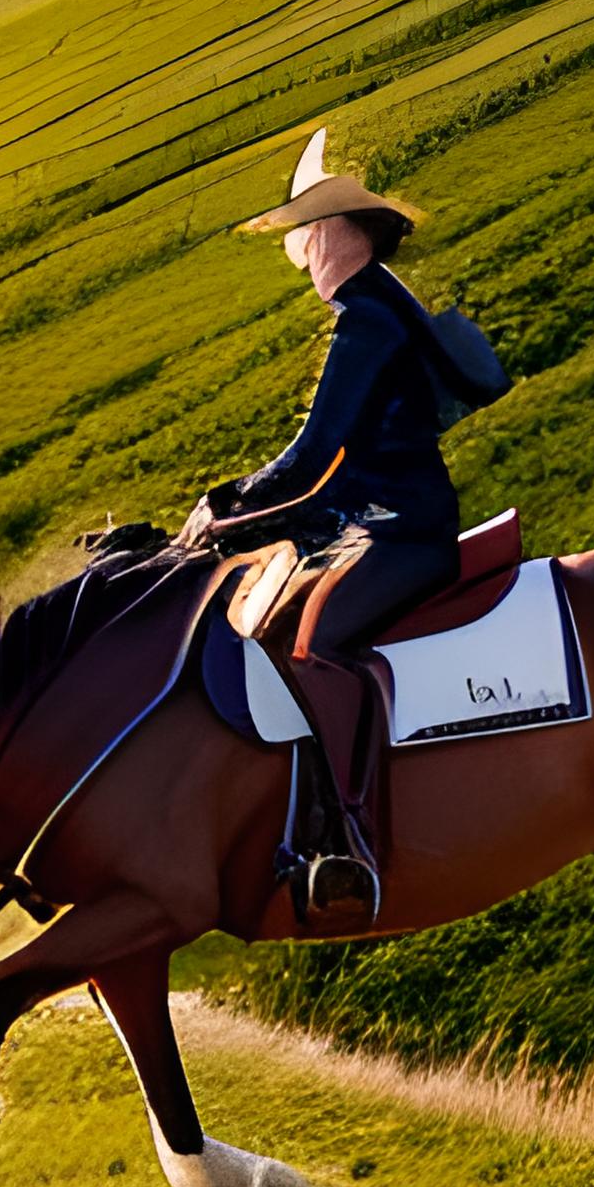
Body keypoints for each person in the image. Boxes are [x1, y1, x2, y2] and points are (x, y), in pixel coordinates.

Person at [191, 131, 490, 927]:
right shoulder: (380, 305)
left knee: (315, 647)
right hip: (377, 522)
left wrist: (225, 506)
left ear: (328, 236)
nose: (302, 257)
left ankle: (350, 835)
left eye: (303, 238)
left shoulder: (367, 319)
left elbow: (317, 450)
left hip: (400, 532)